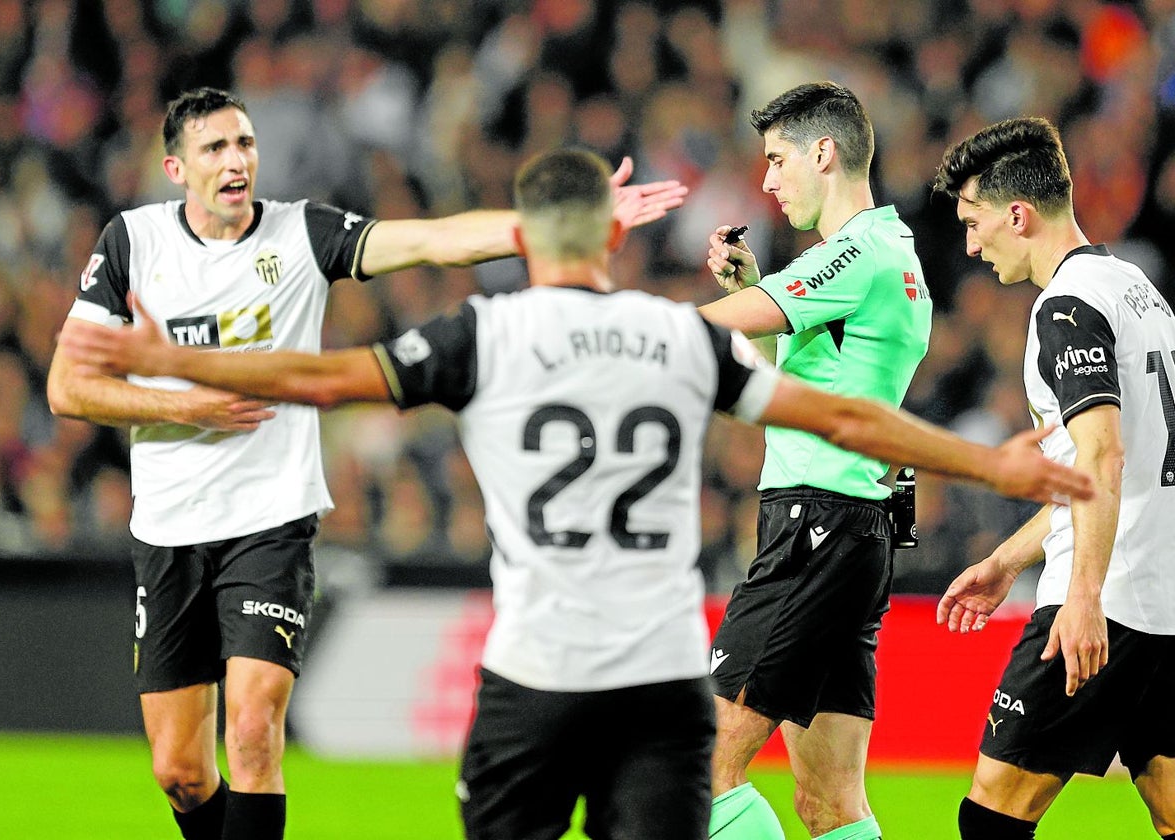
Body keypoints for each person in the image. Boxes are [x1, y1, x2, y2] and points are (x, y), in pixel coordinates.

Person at [60, 147, 1091, 840]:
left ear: (526, 238)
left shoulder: (484, 335)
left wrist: (177, 364)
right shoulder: (674, 334)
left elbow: (323, 378)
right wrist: (992, 468)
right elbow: (844, 420)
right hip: (655, 682)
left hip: (533, 676)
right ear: (608, 237)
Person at [44, 87, 688, 840]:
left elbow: (431, 241)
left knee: (252, 732)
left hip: (269, 524)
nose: (236, 160)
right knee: (181, 773)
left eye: (244, 144)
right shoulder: (132, 242)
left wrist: (562, 225)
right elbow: (67, 387)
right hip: (168, 531)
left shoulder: (300, 234)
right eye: (215, 148)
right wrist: (186, 407)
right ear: (175, 167)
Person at [695, 81, 933, 840]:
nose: (766, 181)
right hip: (853, 531)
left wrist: (615, 334)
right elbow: (788, 380)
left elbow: (719, 329)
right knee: (830, 800)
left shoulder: (854, 253)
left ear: (823, 152)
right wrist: (756, 289)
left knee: (699, 764)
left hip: (814, 526)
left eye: (776, 160)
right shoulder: (891, 254)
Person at [933, 117, 1175, 839]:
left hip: (1107, 603)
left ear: (1018, 214)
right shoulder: (1139, 291)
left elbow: (1103, 456)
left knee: (992, 818)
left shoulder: (1066, 307)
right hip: (1163, 602)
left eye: (974, 224)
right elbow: (1101, 466)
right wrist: (1007, 558)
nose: (971, 246)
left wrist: (1083, 597)